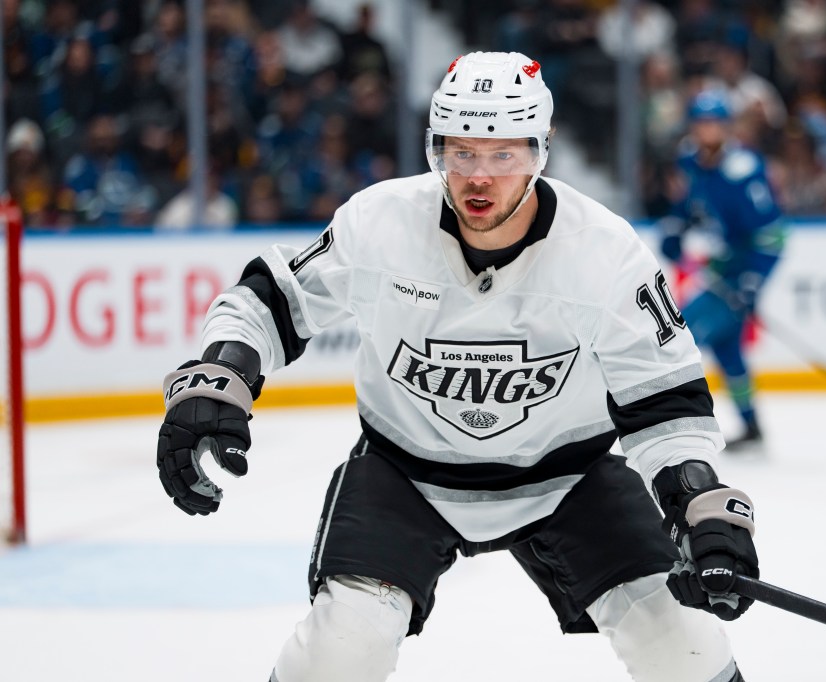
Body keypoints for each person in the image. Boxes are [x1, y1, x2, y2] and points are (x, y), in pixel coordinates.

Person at [156, 52, 758, 682]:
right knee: (341, 650)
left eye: (504, 155)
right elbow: (271, 299)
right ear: (434, 148)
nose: (479, 177)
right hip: (406, 471)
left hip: (567, 475)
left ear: (541, 151)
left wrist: (701, 502)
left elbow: (666, 403)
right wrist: (221, 375)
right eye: (461, 152)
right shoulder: (380, 222)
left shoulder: (603, 252)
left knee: (683, 645)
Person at [661, 90, 786, 448]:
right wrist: (675, 227)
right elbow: (687, 203)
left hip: (740, 269)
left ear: (726, 126)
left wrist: (752, 281)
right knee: (729, 350)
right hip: (722, 265)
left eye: (714, 122)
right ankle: (752, 426)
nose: (707, 130)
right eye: (701, 122)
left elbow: (773, 236)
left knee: (681, 340)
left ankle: (674, 427)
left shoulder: (744, 169)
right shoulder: (689, 159)